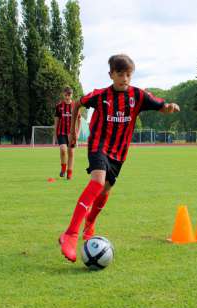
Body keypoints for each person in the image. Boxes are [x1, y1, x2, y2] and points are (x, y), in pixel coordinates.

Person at [58, 54, 180, 262]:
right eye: (121, 74)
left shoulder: (138, 96)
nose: (125, 78)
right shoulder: (100, 95)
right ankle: (70, 233)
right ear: (111, 74)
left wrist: (168, 108)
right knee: (97, 182)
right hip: (99, 145)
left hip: (119, 152)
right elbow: (76, 103)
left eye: (128, 74)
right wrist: (72, 133)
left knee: (105, 190)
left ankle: (90, 224)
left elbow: (161, 105)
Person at [54, 87, 80, 180]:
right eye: (66, 95)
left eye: (69, 95)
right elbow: (56, 121)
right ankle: (63, 168)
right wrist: (55, 134)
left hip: (72, 133)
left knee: (71, 152)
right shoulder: (59, 106)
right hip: (61, 132)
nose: (67, 96)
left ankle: (69, 173)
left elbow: (79, 120)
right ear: (63, 95)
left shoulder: (75, 106)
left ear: (71, 95)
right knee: (63, 150)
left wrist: (78, 132)